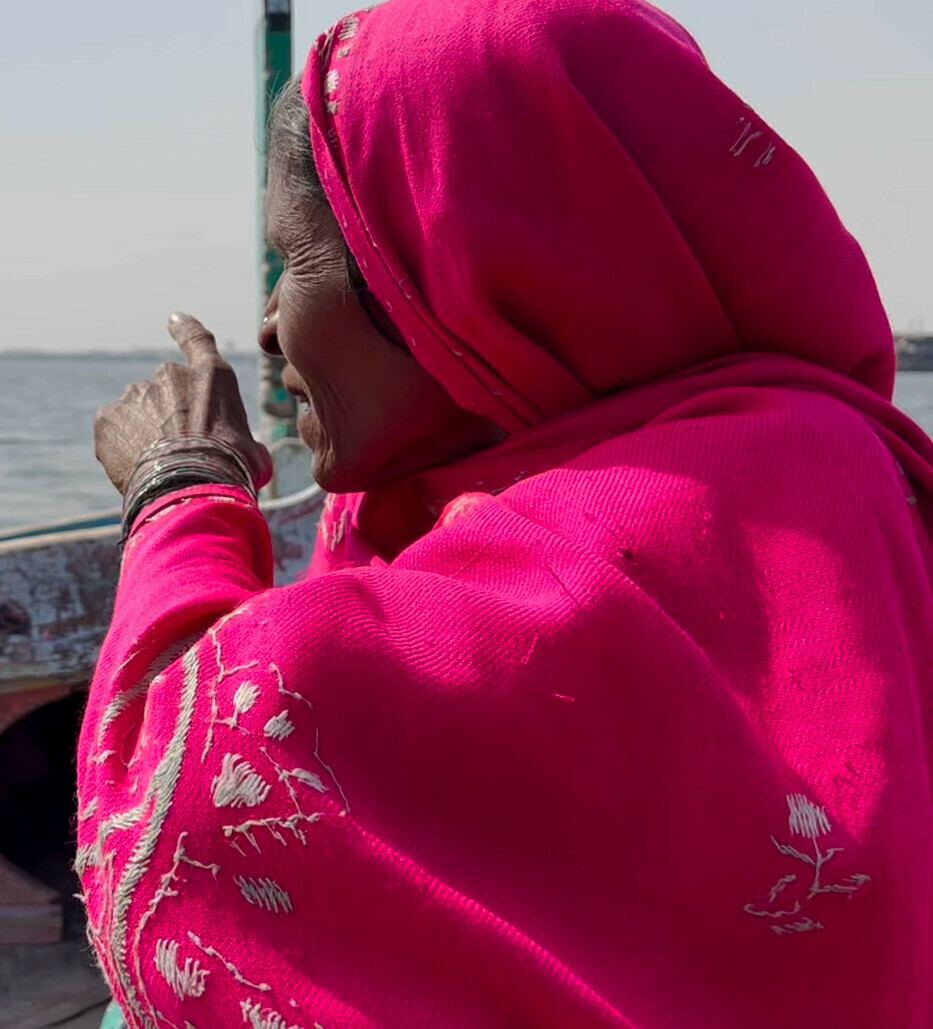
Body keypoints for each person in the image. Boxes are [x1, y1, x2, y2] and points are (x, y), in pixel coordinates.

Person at [78, 1, 933, 1025]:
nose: (265, 330)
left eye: (293, 263)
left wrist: (182, 487)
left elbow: (178, 785)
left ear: (451, 273)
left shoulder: (704, 501)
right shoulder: (817, 455)